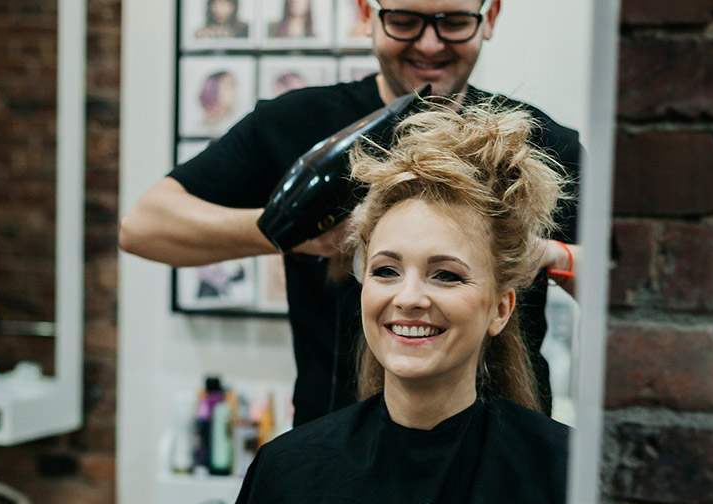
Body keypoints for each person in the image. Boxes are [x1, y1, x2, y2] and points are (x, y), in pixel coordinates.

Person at [164, 103, 569, 504]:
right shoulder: (289, 470)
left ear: (500, 308)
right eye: (385, 271)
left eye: (446, 275)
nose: (409, 297)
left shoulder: (562, 476)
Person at [120, 0, 581, 426]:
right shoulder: (298, 125)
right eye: (404, 22)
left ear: (490, 17)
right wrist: (289, 232)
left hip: (507, 443)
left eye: (455, 23)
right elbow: (143, 227)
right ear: (366, 14)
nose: (429, 44)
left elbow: (620, 279)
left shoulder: (532, 142)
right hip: (333, 442)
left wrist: (553, 255)